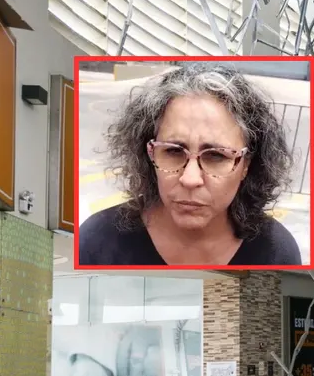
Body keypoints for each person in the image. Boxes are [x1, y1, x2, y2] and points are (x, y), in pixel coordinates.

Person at [78, 62, 302, 267]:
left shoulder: (276, 251)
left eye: (216, 156)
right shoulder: (98, 242)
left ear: (246, 165)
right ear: (149, 154)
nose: (190, 179)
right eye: (173, 151)